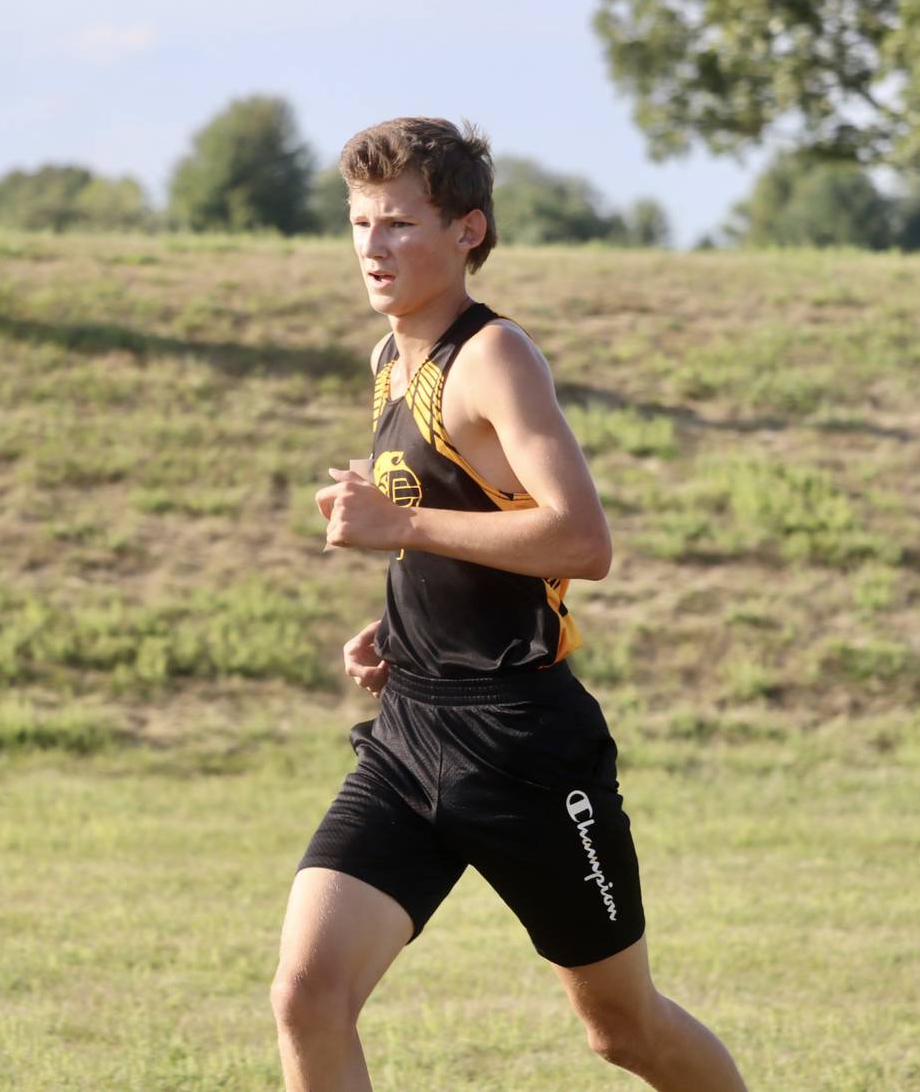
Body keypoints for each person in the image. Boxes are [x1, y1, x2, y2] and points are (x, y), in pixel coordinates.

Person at [270, 116, 749, 1092]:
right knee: (307, 993)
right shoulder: (388, 360)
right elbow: (464, 518)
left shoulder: (494, 359)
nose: (372, 244)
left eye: (400, 222)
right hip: (411, 733)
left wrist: (398, 532)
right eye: (361, 222)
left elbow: (581, 540)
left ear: (468, 232)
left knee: (623, 1029)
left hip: (525, 750)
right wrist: (403, 625)